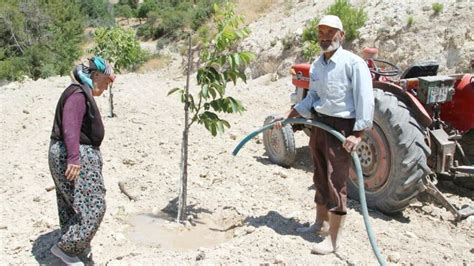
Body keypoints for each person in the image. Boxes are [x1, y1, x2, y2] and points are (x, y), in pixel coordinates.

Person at [274, 15, 374, 254]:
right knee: (319, 174)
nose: (326, 37)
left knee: (335, 180)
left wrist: (357, 133)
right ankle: (320, 224)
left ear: (342, 35)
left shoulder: (353, 63)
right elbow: (312, 98)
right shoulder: (317, 65)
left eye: (331, 33)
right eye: (322, 33)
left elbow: (364, 99)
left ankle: (334, 239)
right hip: (319, 125)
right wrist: (289, 115)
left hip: (341, 128)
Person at [48, 56, 115, 265]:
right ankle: (65, 248)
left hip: (69, 154)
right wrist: (74, 159)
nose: (106, 87)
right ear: (95, 76)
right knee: (95, 205)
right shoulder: (77, 94)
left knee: (73, 205)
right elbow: (70, 124)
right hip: (74, 156)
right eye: (106, 81)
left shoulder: (80, 91)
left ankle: (74, 247)